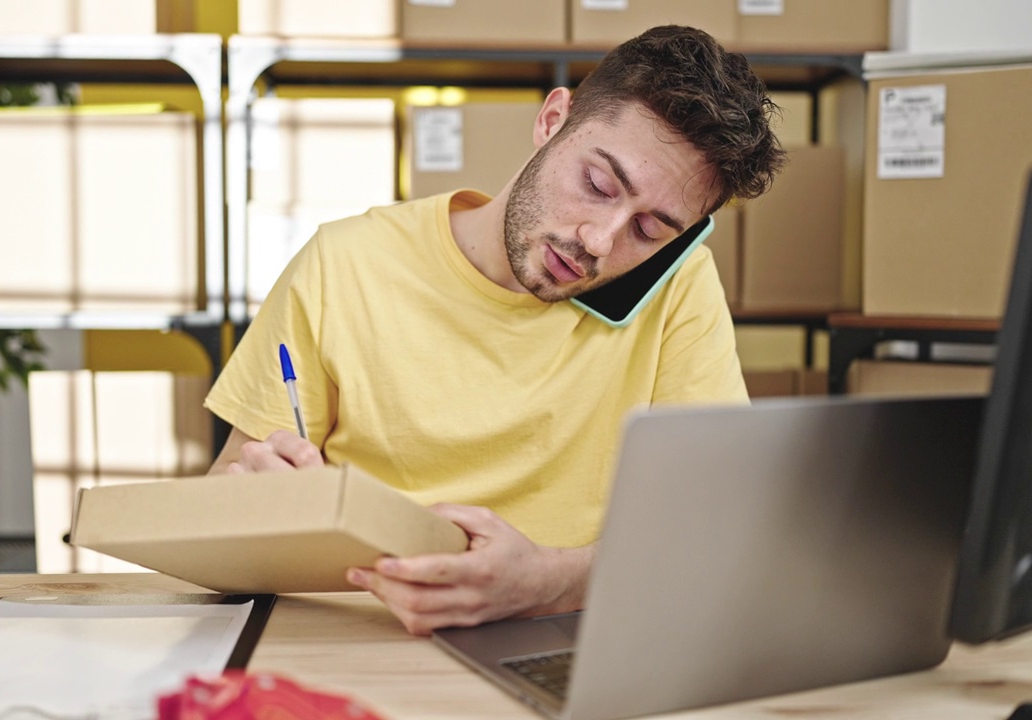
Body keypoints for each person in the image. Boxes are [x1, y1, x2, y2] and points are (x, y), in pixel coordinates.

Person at [205, 24, 785, 635]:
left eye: (650, 231)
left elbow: (711, 535)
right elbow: (221, 504)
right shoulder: (344, 262)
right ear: (552, 120)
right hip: (366, 632)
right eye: (598, 184)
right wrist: (260, 503)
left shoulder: (679, 284)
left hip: (568, 638)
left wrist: (549, 583)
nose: (598, 240)